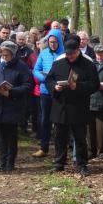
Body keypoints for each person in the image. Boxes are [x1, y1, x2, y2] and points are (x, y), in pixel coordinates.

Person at [46, 39, 99, 176]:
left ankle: (82, 164)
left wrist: (79, 86)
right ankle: (59, 162)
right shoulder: (59, 63)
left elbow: (95, 84)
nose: (70, 57)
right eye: (67, 54)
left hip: (78, 106)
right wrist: (54, 87)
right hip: (61, 106)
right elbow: (49, 79)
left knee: (80, 137)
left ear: (78, 51)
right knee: (60, 136)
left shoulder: (88, 64)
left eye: (72, 54)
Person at [0, 41, 34, 172]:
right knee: (1, 136)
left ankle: (10, 162)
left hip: (13, 105)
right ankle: (2, 161)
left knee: (11, 136)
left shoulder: (21, 66)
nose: (4, 57)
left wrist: (11, 91)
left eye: (7, 55)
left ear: (13, 54)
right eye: (2, 55)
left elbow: (28, 85)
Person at [31, 28, 64, 158]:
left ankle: (59, 149)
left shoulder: (64, 54)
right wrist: (46, 79)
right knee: (45, 120)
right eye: (50, 42)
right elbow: (36, 70)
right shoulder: (44, 53)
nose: (52, 44)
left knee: (60, 121)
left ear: (59, 42)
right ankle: (43, 148)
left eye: (55, 42)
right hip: (45, 91)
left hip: (60, 91)